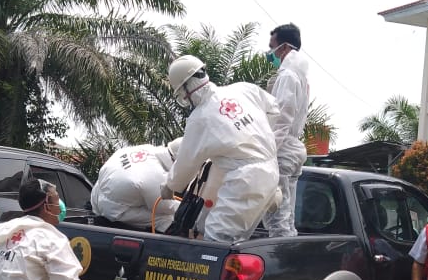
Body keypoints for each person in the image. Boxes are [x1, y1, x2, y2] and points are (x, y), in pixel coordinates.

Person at [162, 55, 280, 243]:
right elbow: (274, 109)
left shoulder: (200, 118)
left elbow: (186, 163)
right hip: (272, 172)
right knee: (239, 244)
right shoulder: (243, 89)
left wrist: (169, 186)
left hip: (243, 181)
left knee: (216, 242)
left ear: (186, 88)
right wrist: (258, 141)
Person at [263, 23, 310, 238]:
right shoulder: (301, 76)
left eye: (272, 46)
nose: (270, 52)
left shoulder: (288, 76)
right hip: (293, 148)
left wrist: (268, 150)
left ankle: (281, 258)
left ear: (284, 48)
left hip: (282, 149)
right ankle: (289, 248)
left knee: (277, 214)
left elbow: (281, 117)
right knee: (286, 214)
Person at [90, 140, 181, 232]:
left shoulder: (147, 148)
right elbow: (165, 207)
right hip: (113, 209)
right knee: (167, 218)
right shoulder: (155, 176)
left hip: (96, 194)